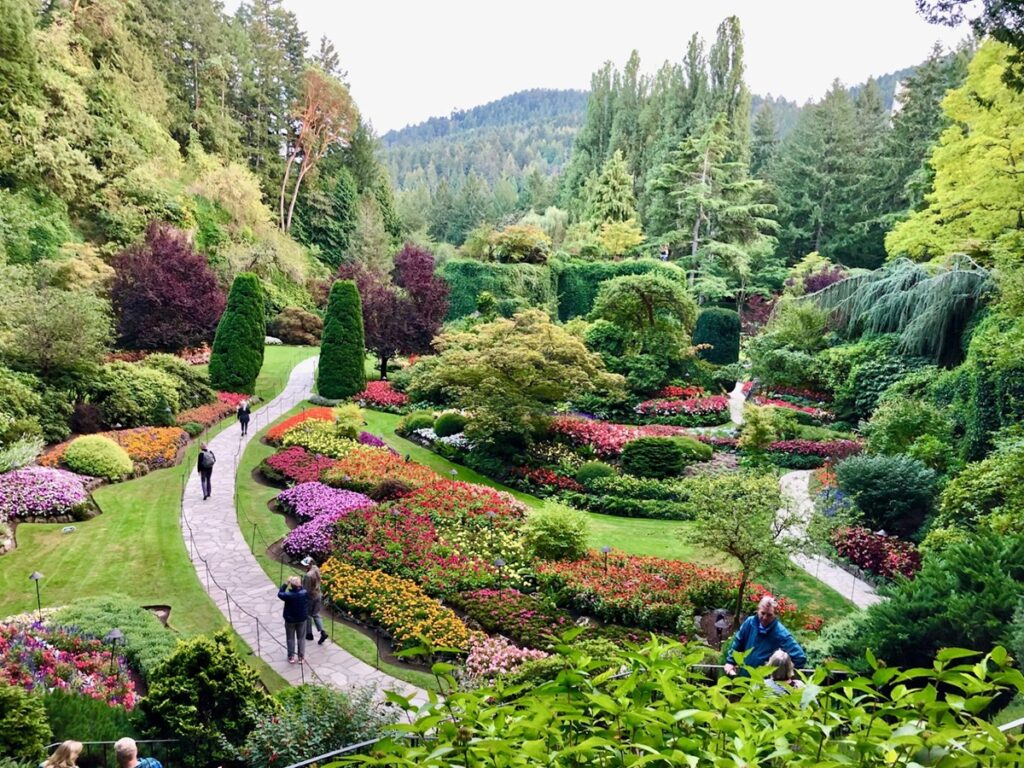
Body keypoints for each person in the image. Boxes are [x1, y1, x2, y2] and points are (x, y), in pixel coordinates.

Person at [723, 595, 807, 676]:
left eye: (769, 615)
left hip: (764, 683)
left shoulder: (781, 634)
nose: (765, 617)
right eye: (762, 613)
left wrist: (784, 675)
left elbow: (799, 658)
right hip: (745, 677)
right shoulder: (750, 623)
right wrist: (730, 662)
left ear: (775, 615)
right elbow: (738, 642)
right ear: (758, 610)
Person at [278, 574, 308, 663]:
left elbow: (280, 593)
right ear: (299, 585)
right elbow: (302, 589)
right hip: (302, 619)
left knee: (290, 638)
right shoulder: (304, 593)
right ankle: (301, 657)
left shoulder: (288, 595)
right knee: (301, 638)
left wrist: (286, 584)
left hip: (290, 620)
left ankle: (291, 657)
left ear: (291, 585)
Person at [301, 556, 328, 645]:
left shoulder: (308, 576)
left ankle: (309, 634)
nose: (304, 566)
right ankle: (322, 632)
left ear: (310, 564)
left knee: (308, 614)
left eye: (306, 565)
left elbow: (306, 589)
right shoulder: (316, 568)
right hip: (318, 595)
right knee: (316, 614)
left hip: (310, 597)